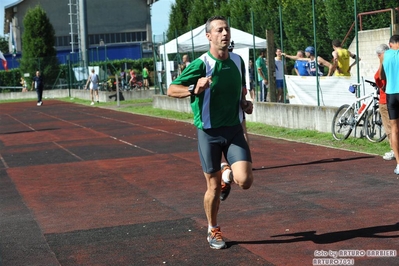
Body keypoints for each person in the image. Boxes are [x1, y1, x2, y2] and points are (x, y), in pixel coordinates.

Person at [167, 15, 254, 250]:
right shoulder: (200, 64)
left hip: (234, 129)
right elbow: (171, 89)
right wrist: (193, 88)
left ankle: (228, 175)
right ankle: (213, 228)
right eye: (219, 30)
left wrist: (245, 103)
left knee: (245, 181)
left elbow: (240, 92)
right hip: (209, 133)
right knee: (212, 188)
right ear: (209, 36)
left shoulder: (238, 61)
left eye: (226, 29)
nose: (224, 34)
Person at [378, 35, 399, 174]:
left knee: (394, 129)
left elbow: (381, 76)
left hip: (391, 94)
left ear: (390, 44)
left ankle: (398, 163)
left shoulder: (384, 55)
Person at [374, 44, 394, 160]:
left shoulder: (383, 66)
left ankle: (394, 150)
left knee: (389, 127)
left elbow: (379, 80)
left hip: (385, 100)